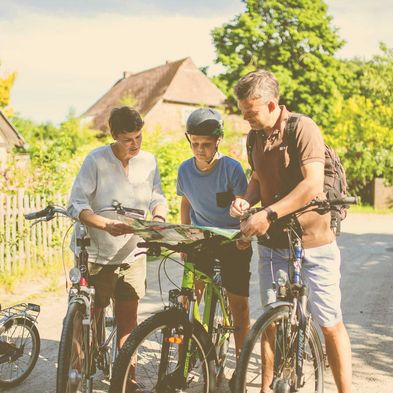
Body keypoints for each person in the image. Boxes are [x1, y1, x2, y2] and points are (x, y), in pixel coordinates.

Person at [230, 70, 352, 393]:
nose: (246, 118)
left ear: (272, 104)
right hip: (273, 244)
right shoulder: (254, 137)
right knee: (269, 322)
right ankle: (266, 388)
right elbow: (257, 177)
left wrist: (268, 213)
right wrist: (245, 200)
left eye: (250, 112)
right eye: (243, 112)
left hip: (314, 242)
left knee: (329, 323)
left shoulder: (303, 128)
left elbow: (312, 184)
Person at [68, 107, 168, 387]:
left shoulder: (148, 161)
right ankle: (75, 374)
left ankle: (128, 378)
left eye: (138, 136)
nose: (135, 144)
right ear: (114, 136)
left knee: (128, 318)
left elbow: (156, 196)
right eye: (128, 139)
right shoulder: (96, 160)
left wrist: (158, 216)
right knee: (90, 316)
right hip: (97, 249)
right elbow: (77, 205)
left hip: (133, 251)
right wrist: (105, 225)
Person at [176, 108, 252, 391]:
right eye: (194, 143)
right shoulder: (184, 169)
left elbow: (245, 205)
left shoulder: (232, 169)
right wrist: (185, 236)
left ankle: (241, 370)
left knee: (239, 306)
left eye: (205, 144)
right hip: (201, 239)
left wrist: (244, 232)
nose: (199, 149)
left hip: (232, 240)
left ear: (218, 141)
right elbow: (185, 203)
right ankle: (187, 354)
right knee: (188, 298)